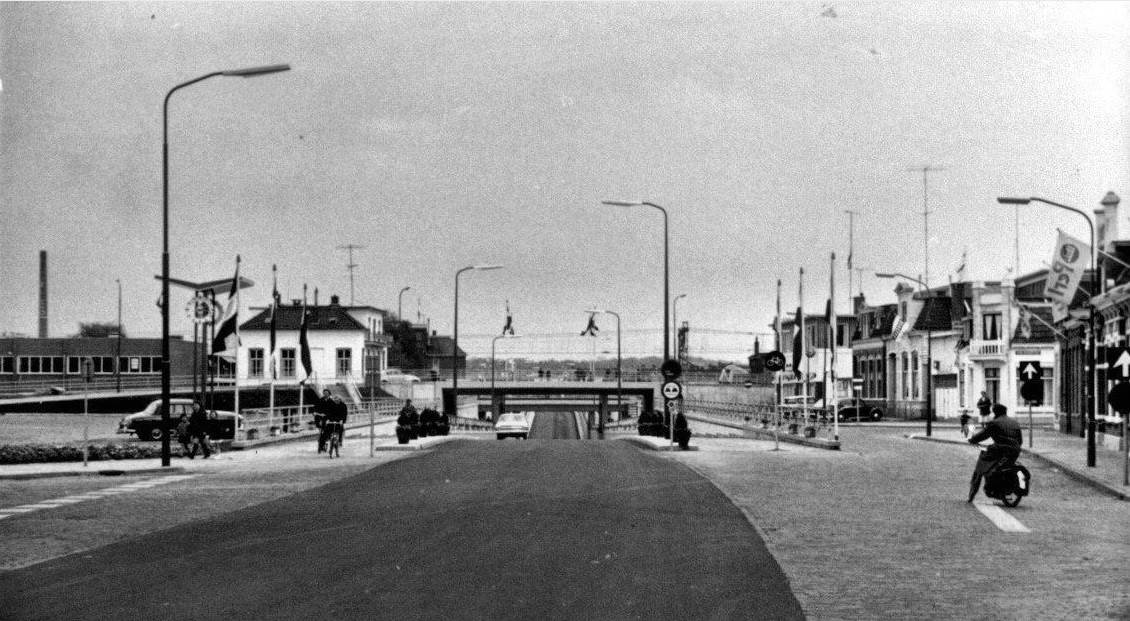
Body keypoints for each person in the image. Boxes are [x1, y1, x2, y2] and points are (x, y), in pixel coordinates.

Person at [967, 403, 1023, 502]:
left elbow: (983, 435)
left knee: (983, 462)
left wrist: (972, 440)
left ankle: (982, 486)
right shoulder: (1014, 422)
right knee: (1000, 466)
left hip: (1001, 449)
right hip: (1015, 450)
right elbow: (1020, 440)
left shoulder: (994, 423)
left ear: (995, 412)